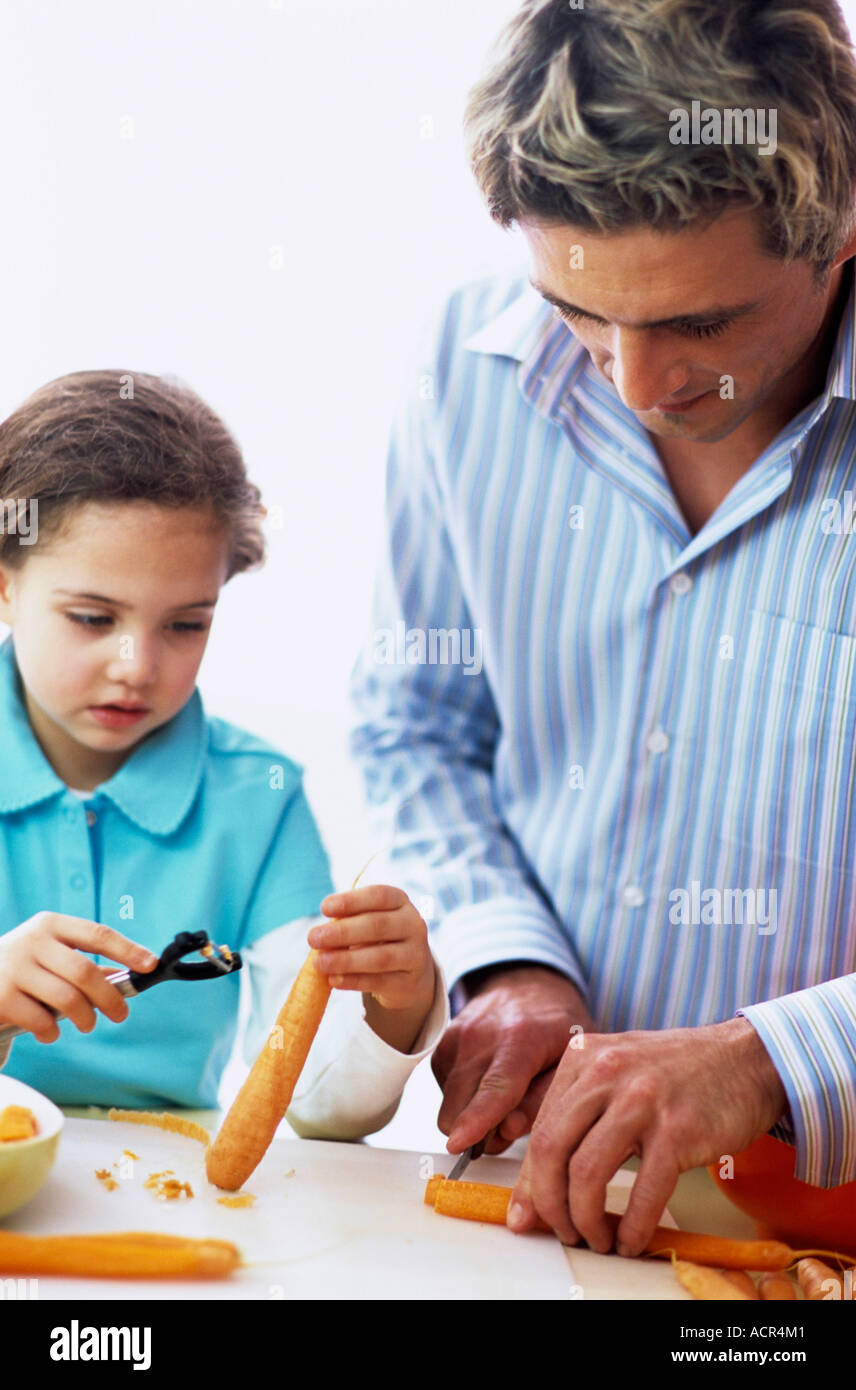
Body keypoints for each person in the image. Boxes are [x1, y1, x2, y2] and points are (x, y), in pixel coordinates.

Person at [348, 0, 856, 1252]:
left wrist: (768, 1061)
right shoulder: (463, 370)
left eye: (699, 323)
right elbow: (416, 726)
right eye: (576, 309)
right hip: (537, 1214)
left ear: (839, 230)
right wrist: (507, 961)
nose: (632, 385)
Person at [0, 369, 447, 1137]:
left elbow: (314, 1101)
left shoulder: (260, 799)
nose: (137, 665)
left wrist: (396, 1003)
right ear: (5, 585)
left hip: (170, 1187)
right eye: (92, 617)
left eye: (185, 625)